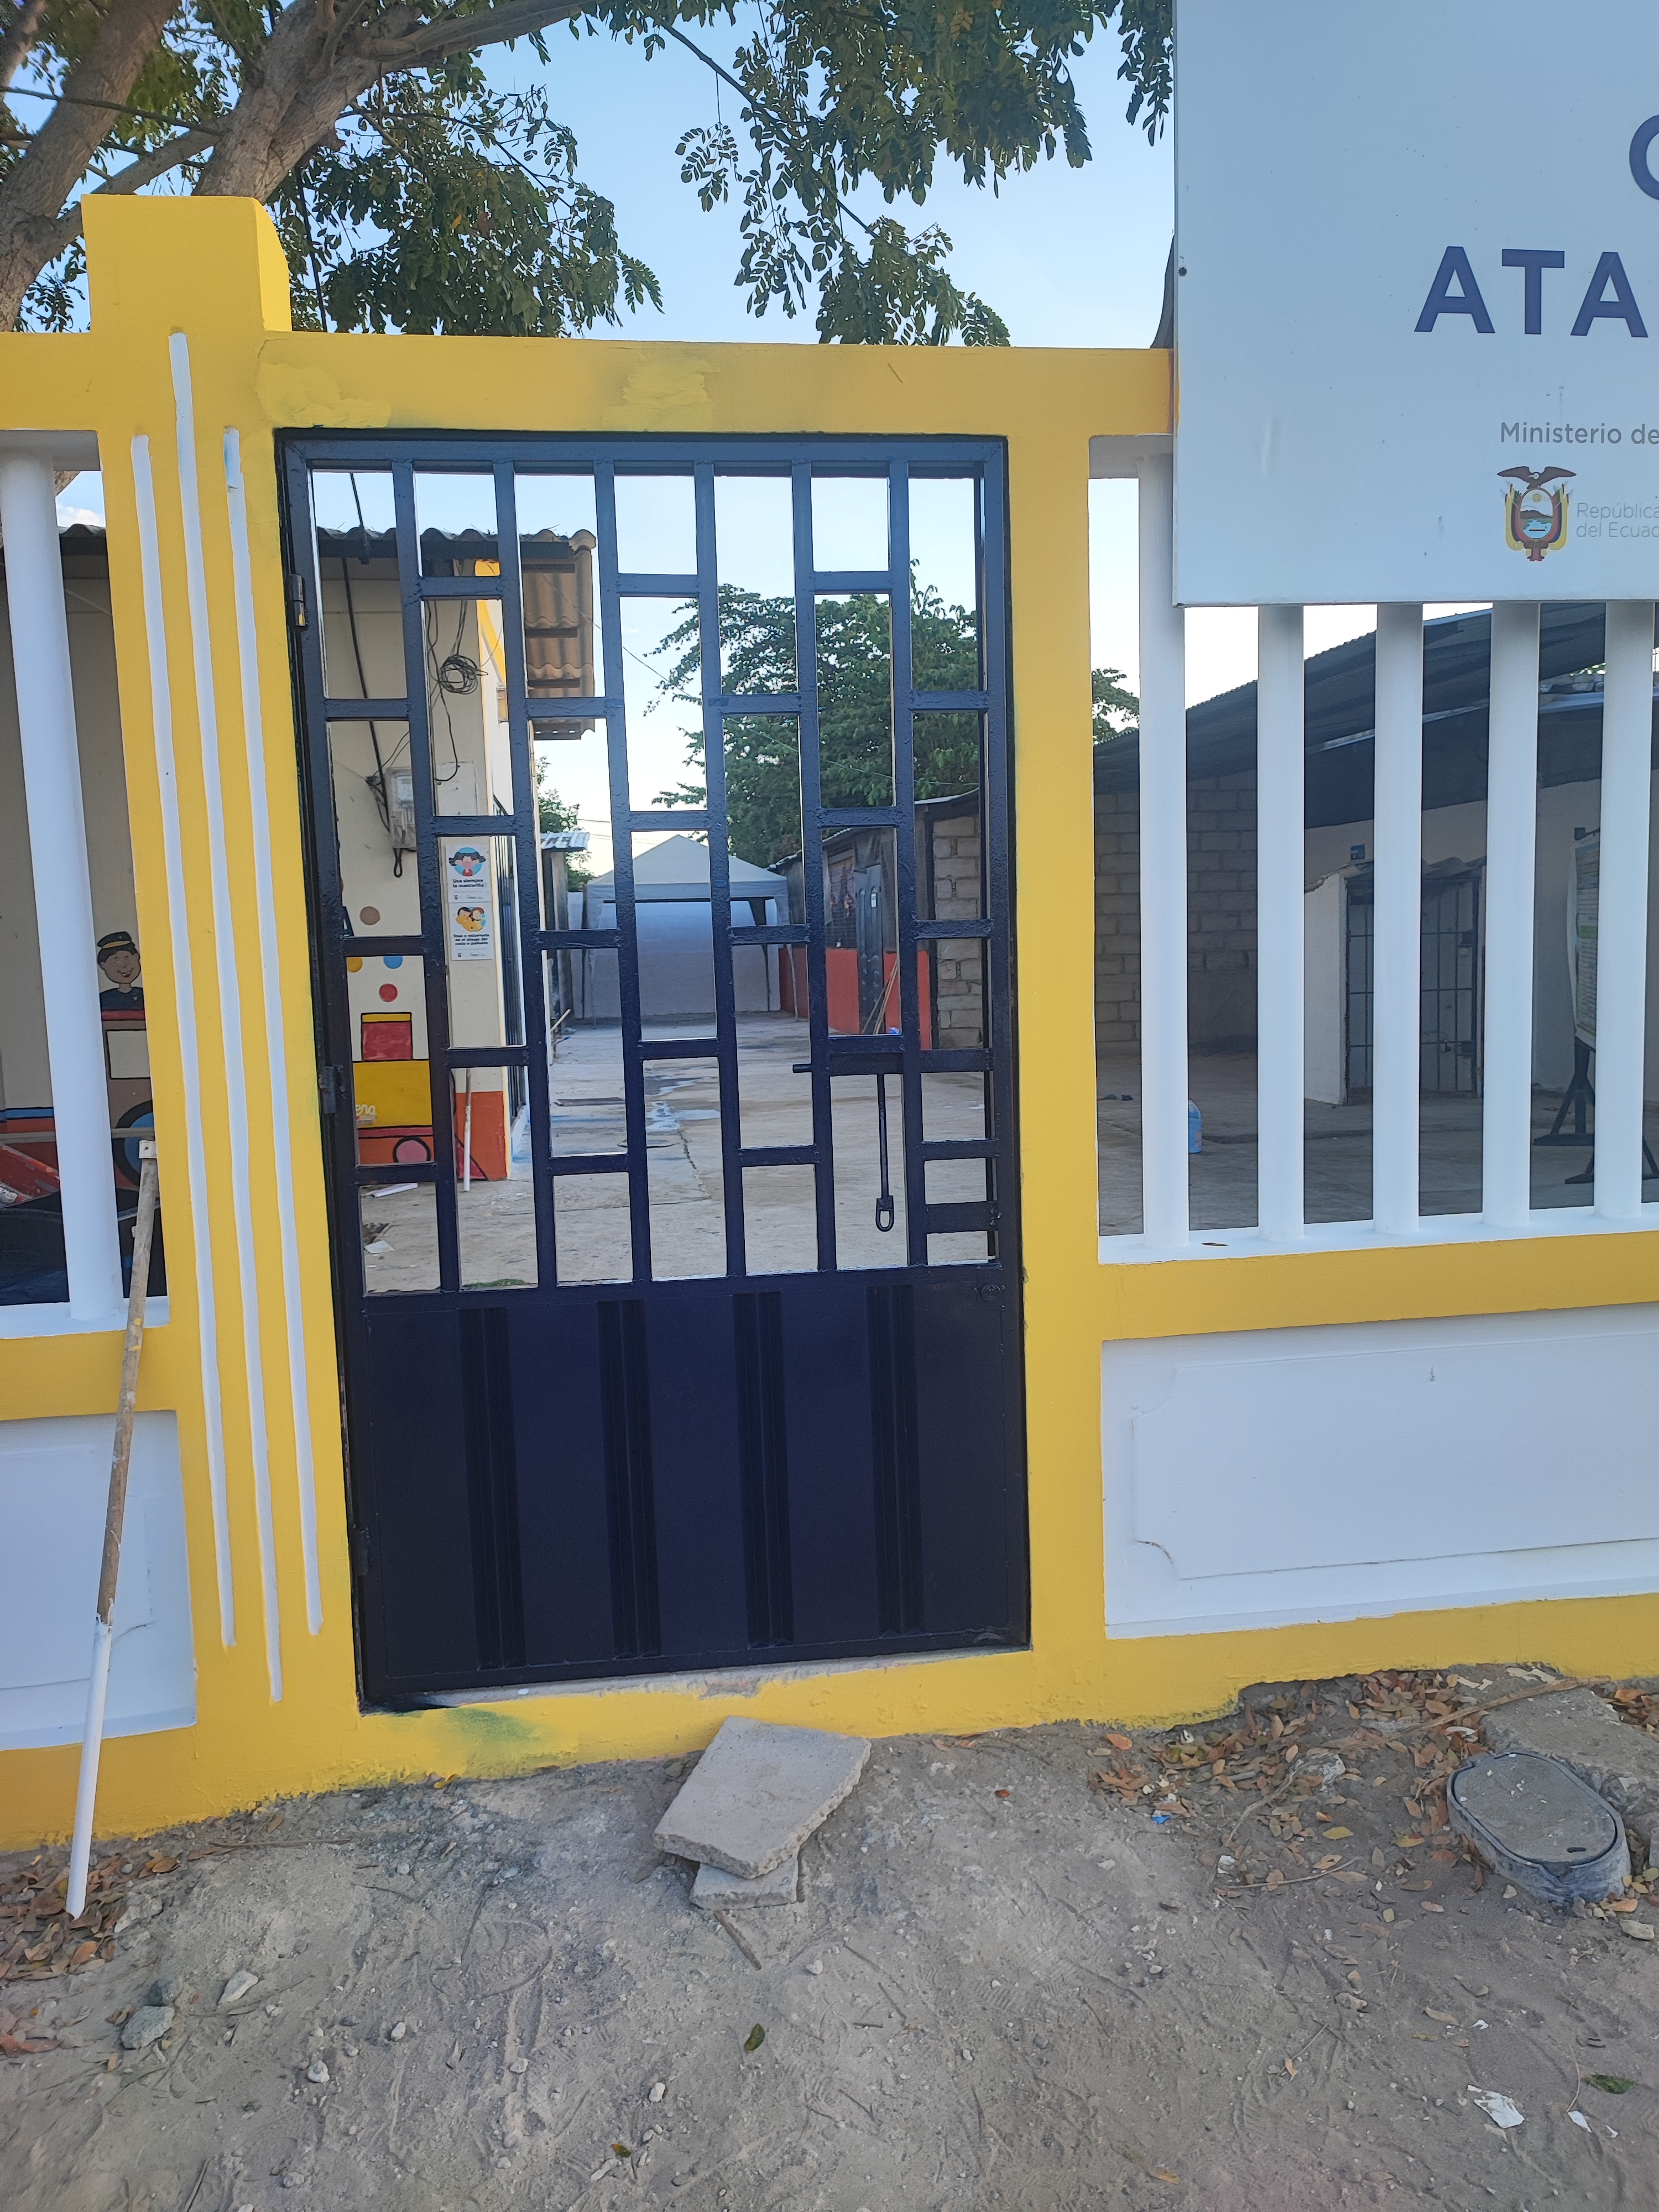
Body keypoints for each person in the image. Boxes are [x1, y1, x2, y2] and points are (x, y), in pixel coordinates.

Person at [96, 928, 144, 1012]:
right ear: (103, 965)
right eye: (118, 963)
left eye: (127, 959)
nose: (124, 966)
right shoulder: (104, 999)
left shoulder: (145, 995)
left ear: (136, 957)